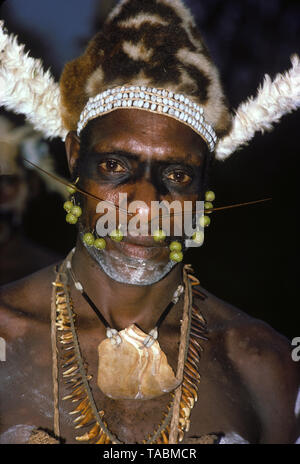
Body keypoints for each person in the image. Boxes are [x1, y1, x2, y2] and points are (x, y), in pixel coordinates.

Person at [0, 0, 299, 445]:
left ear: (203, 187)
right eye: (116, 166)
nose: (145, 204)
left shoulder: (267, 365)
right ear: (75, 157)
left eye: (176, 175)